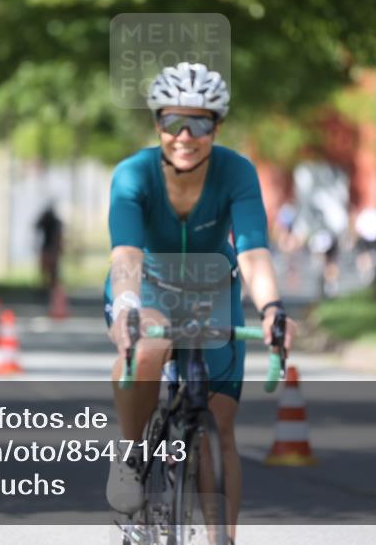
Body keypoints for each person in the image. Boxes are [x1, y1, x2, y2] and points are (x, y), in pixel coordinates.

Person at [103, 62, 296, 542]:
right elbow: (126, 253)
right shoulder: (133, 175)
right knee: (149, 345)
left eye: (200, 123)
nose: (185, 136)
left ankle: (221, 540)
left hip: (214, 290)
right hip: (146, 285)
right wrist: (126, 307)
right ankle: (131, 455)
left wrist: (272, 309)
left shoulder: (237, 172)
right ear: (157, 124)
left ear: (217, 126)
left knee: (220, 426)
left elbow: (252, 252)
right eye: (173, 122)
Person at [35, 202, 64, 293]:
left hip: (51, 248)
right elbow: (37, 226)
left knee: (52, 270)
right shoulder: (47, 221)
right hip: (48, 247)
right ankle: (47, 287)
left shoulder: (55, 222)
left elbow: (58, 235)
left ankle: (51, 287)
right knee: (46, 270)